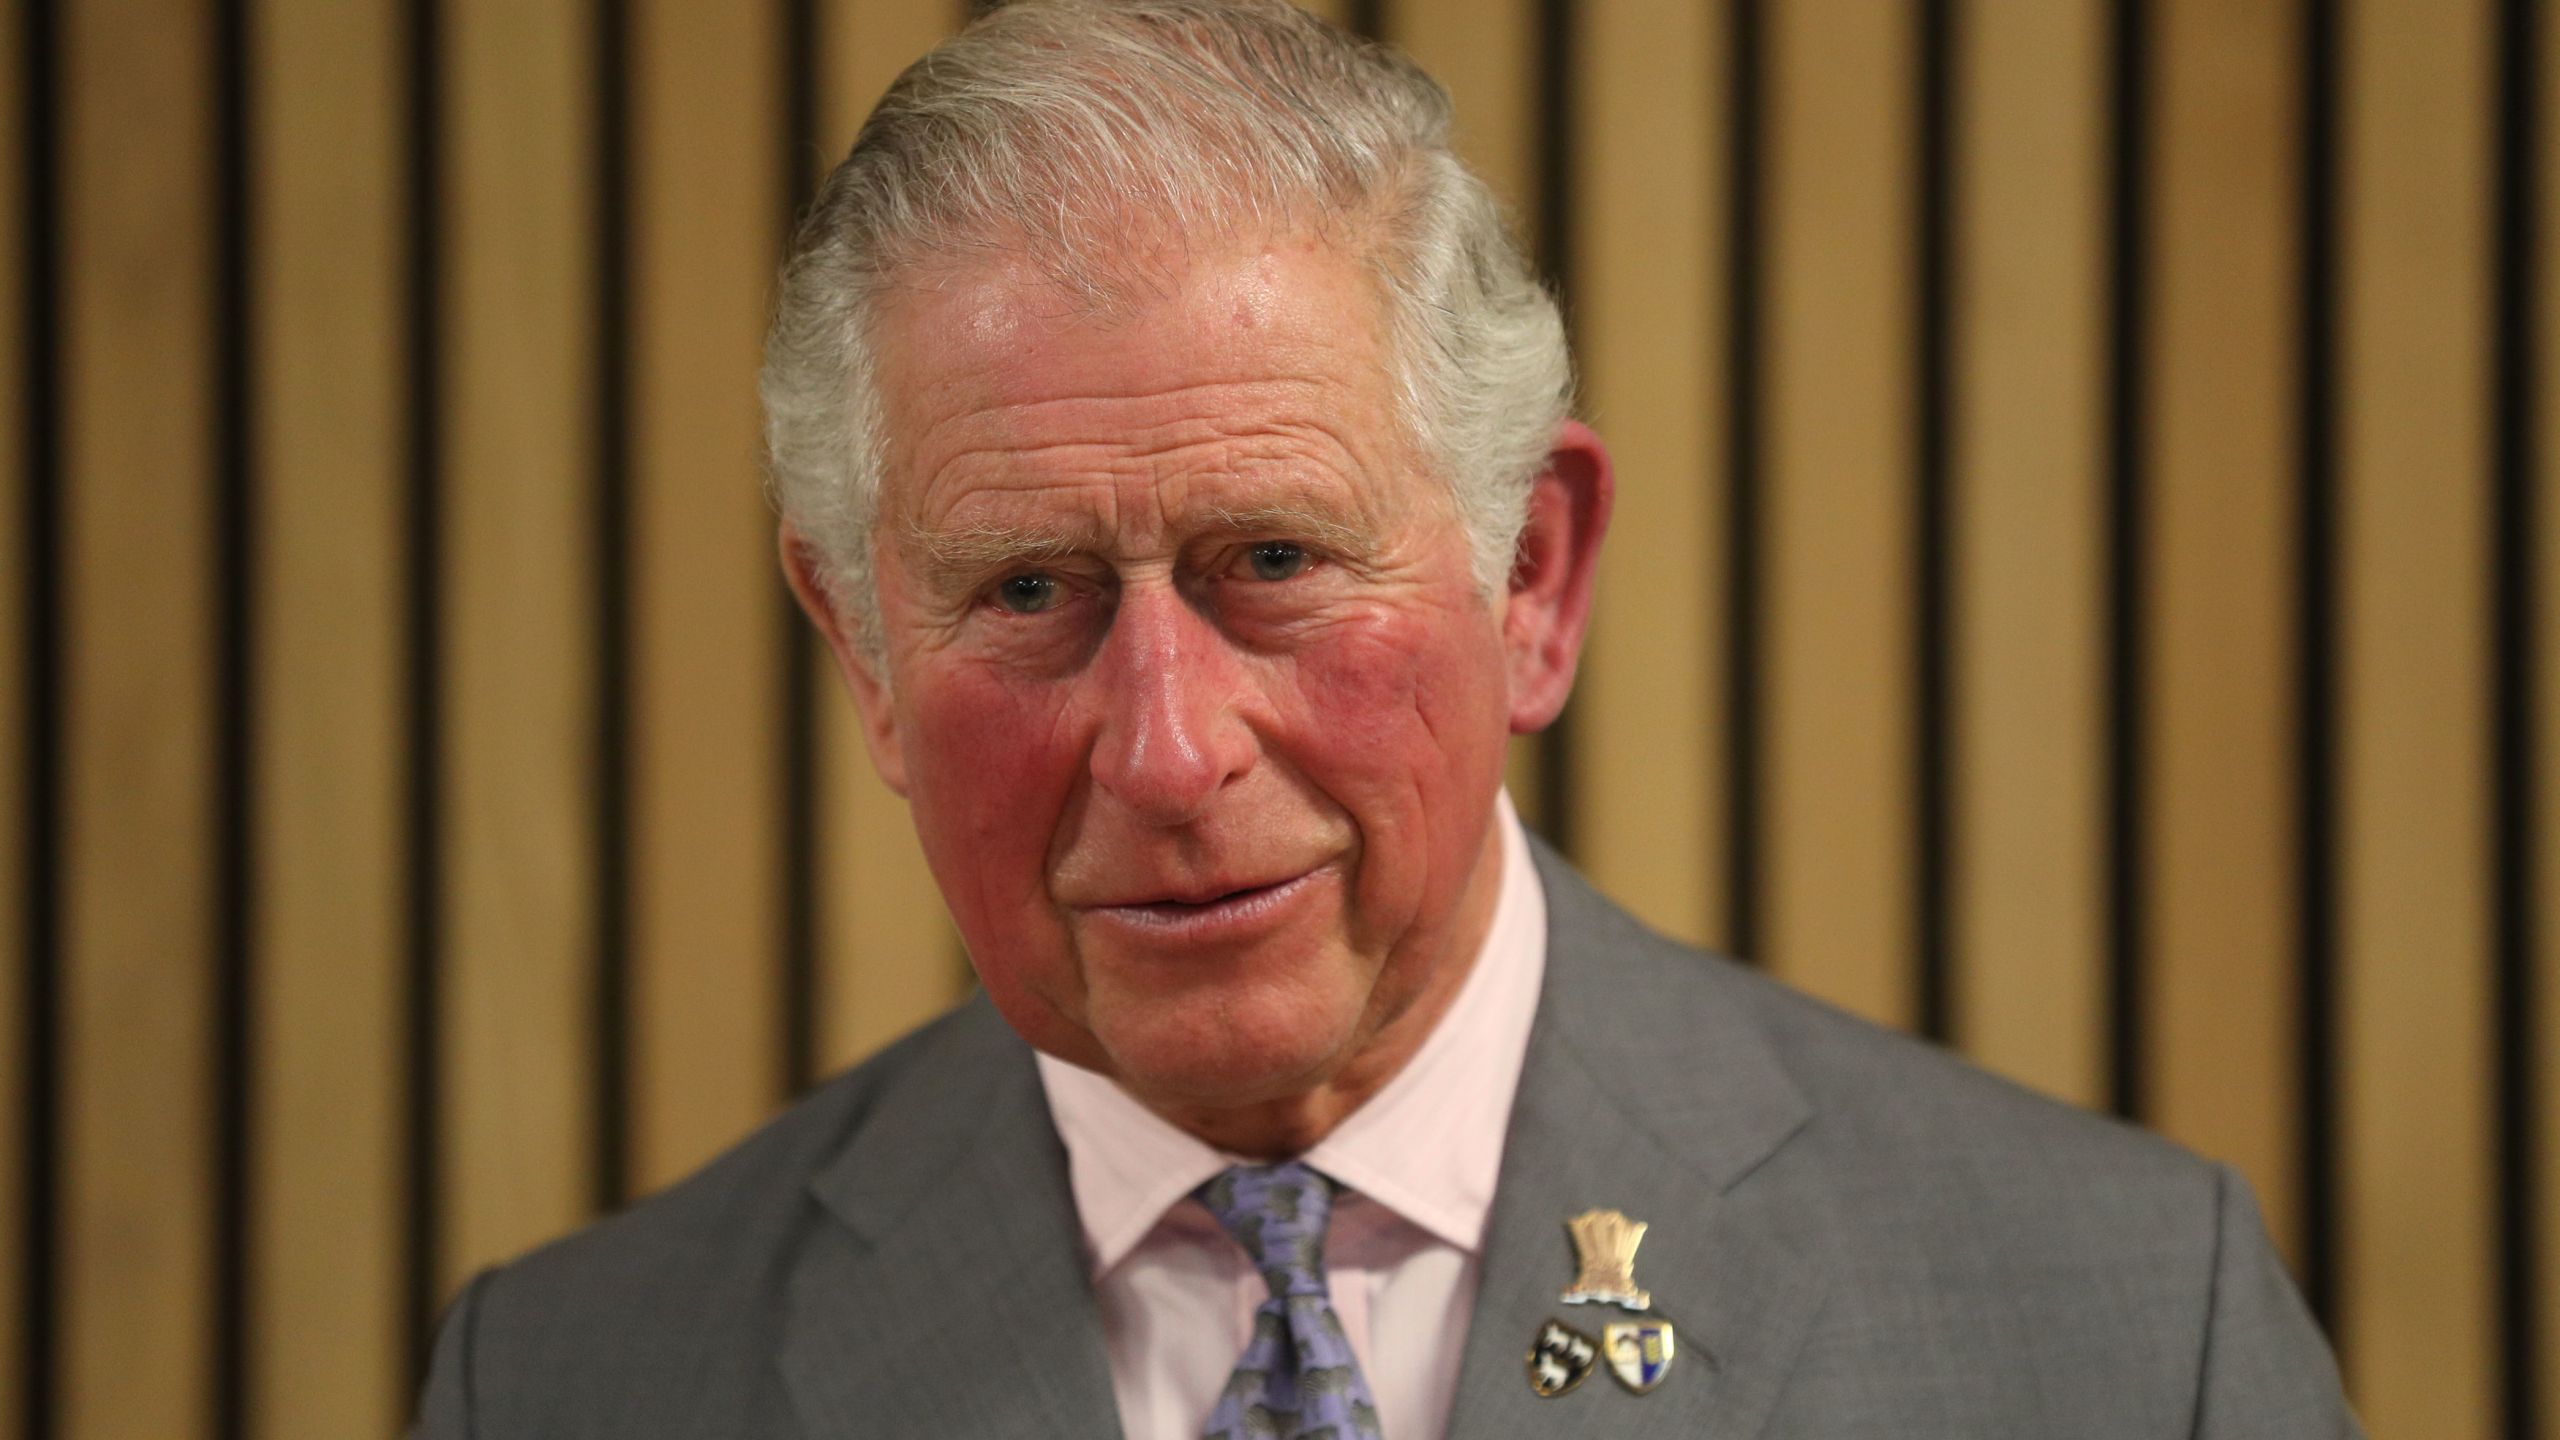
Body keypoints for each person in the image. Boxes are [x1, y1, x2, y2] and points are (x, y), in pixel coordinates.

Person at [411, 2, 2360, 1436]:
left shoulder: (2111, 1336)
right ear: (860, 655)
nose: (1167, 753)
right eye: (1024, 594)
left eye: (1270, 561)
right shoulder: (575, 1383)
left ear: (1530, 581)